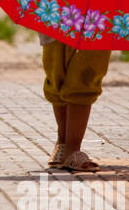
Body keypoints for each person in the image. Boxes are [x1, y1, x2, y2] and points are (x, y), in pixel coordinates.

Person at [39, 32, 111, 172]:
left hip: (97, 16)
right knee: (56, 71)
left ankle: (72, 148)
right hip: (57, 14)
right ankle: (63, 143)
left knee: (86, 72)